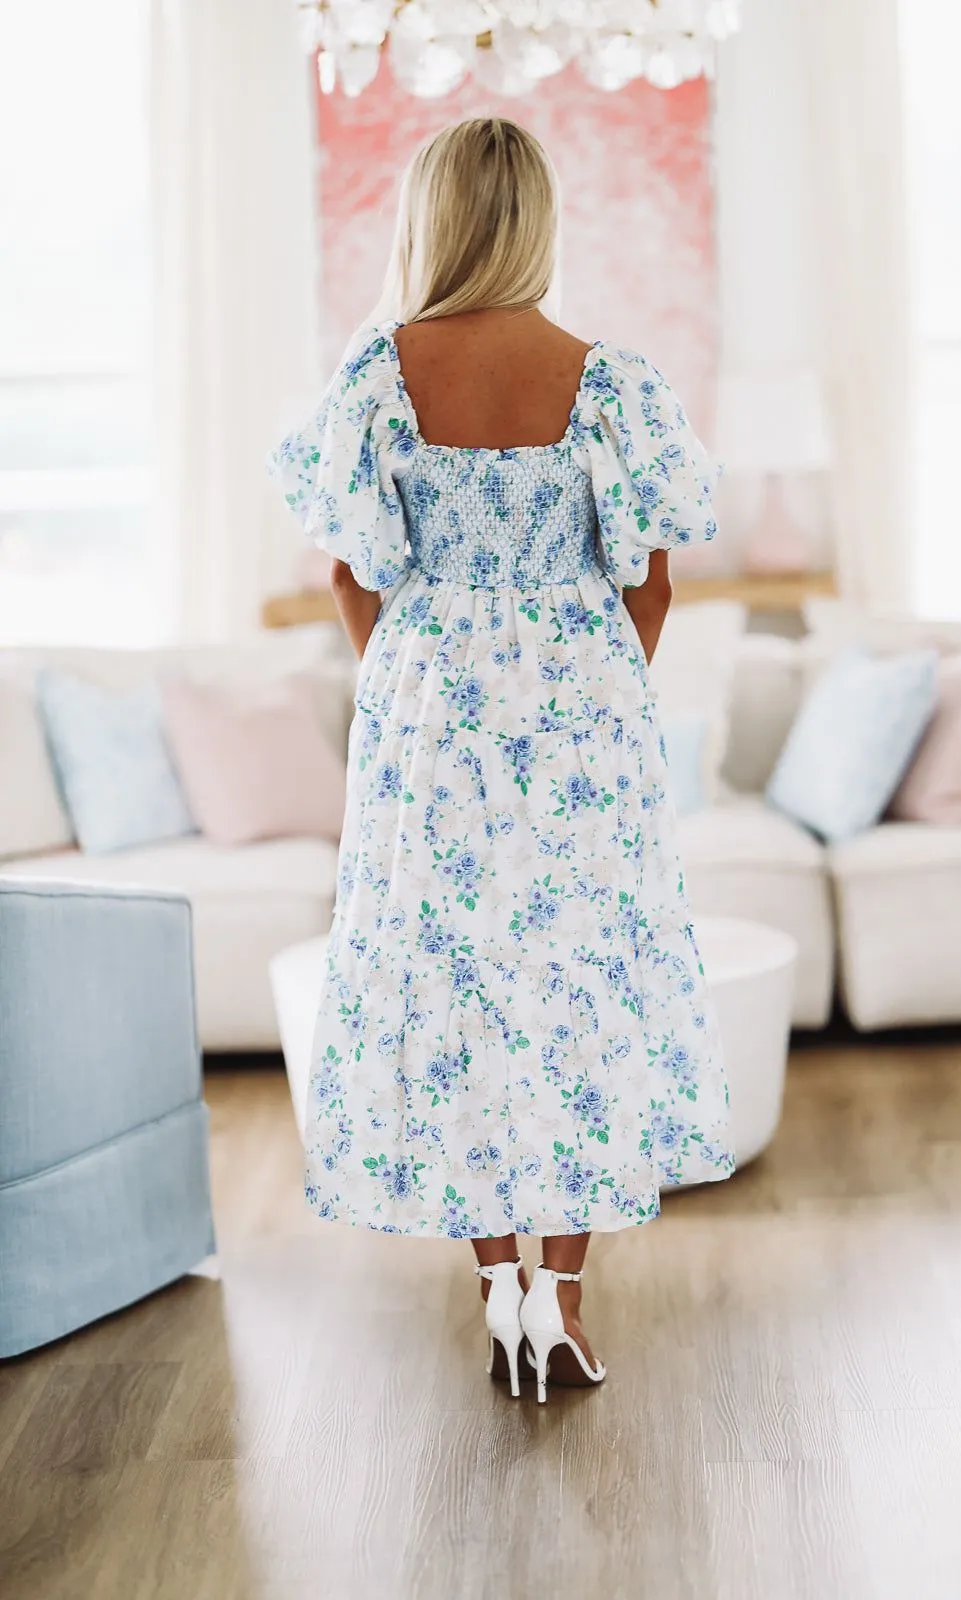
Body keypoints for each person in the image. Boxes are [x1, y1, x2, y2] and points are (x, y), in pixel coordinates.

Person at [271, 116, 733, 1405]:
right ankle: (564, 1304)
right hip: (581, 719)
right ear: (535, 220)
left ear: (432, 221)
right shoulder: (609, 378)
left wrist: (405, 674)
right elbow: (652, 574)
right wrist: (595, 683)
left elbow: (349, 571)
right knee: (573, 981)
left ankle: (501, 1292)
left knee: (458, 982)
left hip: (430, 722)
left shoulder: (380, 375)